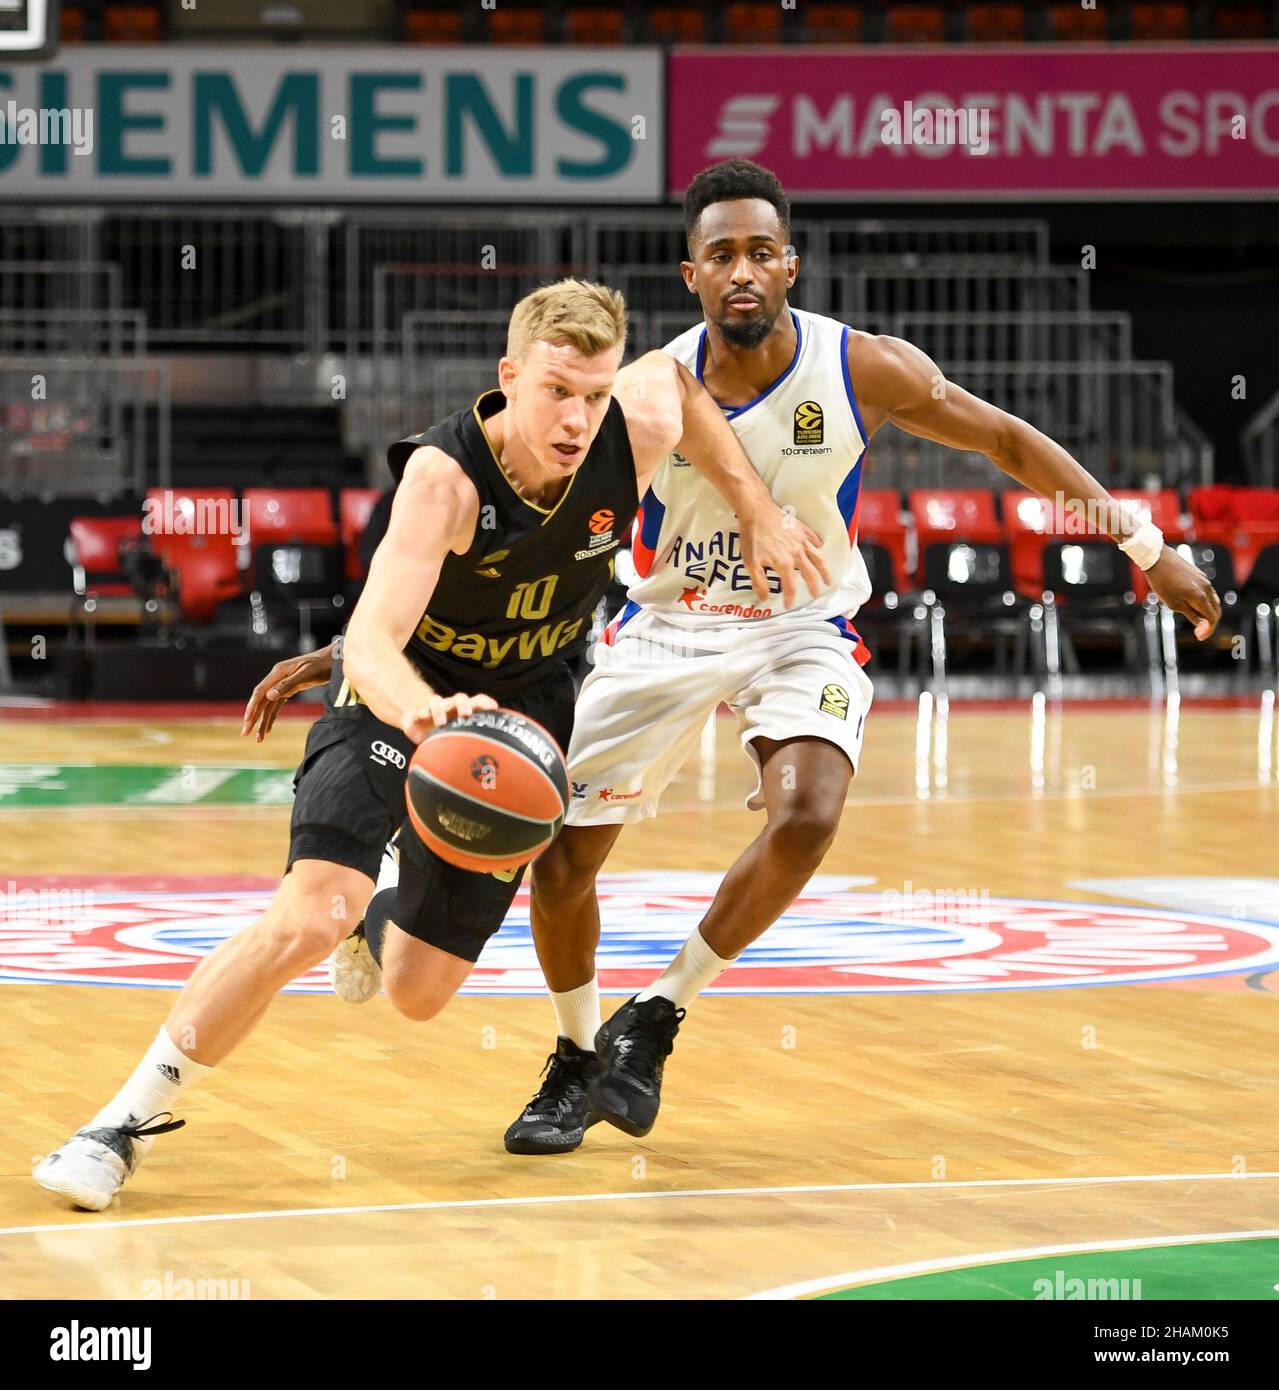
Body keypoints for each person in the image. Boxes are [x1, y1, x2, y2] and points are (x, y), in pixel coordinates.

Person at [34, 278, 825, 1210]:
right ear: (508, 377)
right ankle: (115, 1128)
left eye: (594, 394)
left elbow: (685, 392)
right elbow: (371, 642)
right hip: (392, 699)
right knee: (312, 913)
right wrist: (422, 718)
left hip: (524, 716)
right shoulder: (443, 478)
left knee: (416, 992)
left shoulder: (635, 422)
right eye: (556, 391)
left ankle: (389, 902)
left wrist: (757, 507)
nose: (577, 418)